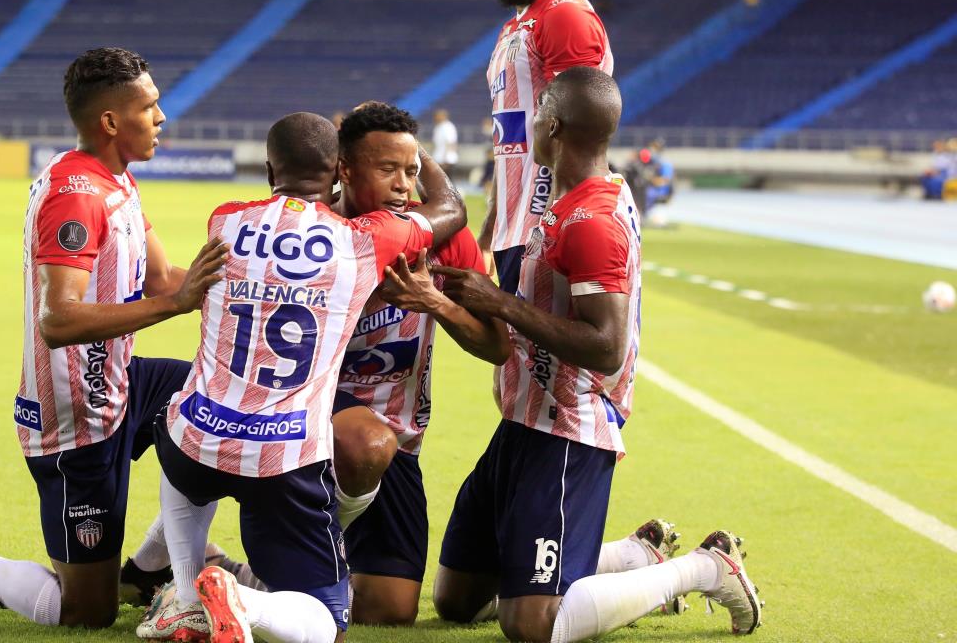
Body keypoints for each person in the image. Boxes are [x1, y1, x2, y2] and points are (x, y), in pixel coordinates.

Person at [0, 48, 227, 628]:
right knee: (86, 612)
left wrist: (251, 292)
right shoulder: (75, 195)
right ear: (110, 121)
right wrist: (174, 306)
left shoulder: (117, 180)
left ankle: (155, 566)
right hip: (72, 416)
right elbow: (58, 320)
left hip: (120, 380)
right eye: (150, 106)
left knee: (223, 407)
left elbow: (162, 277)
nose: (162, 117)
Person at [431, 67, 763, 642]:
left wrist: (500, 304)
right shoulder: (582, 196)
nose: (530, 126)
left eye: (537, 118)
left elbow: (606, 347)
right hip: (521, 421)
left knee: (531, 626)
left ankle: (705, 569)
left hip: (567, 430)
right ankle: (633, 557)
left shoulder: (591, 221)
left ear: (552, 126)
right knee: (458, 601)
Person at [145, 111, 467, 643]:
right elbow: (449, 210)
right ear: (339, 173)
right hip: (285, 458)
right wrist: (418, 155)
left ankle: (182, 591)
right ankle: (239, 595)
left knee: (179, 425)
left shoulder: (224, 220)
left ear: (270, 167)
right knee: (326, 622)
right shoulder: (365, 239)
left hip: (197, 442)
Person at [332, 102, 512, 625]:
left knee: (390, 613)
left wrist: (435, 303)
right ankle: (214, 569)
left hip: (398, 444)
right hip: (311, 436)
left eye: (410, 171)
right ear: (345, 168)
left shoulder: (442, 237)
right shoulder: (322, 229)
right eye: (387, 169)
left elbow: (497, 347)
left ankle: (241, 573)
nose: (403, 185)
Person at [477, 0, 614, 291]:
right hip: (514, 232)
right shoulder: (512, 29)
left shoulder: (564, 16)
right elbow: (509, 144)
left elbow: (577, 134)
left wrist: (553, 230)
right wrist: (490, 234)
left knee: (546, 348)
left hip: (546, 233)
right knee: (512, 348)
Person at [431, 108, 460, 175]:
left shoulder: (448, 127)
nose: (435, 118)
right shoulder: (438, 127)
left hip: (446, 161)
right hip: (438, 159)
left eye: (437, 116)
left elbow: (451, 143)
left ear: (444, 116)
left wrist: (446, 159)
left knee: (448, 183)